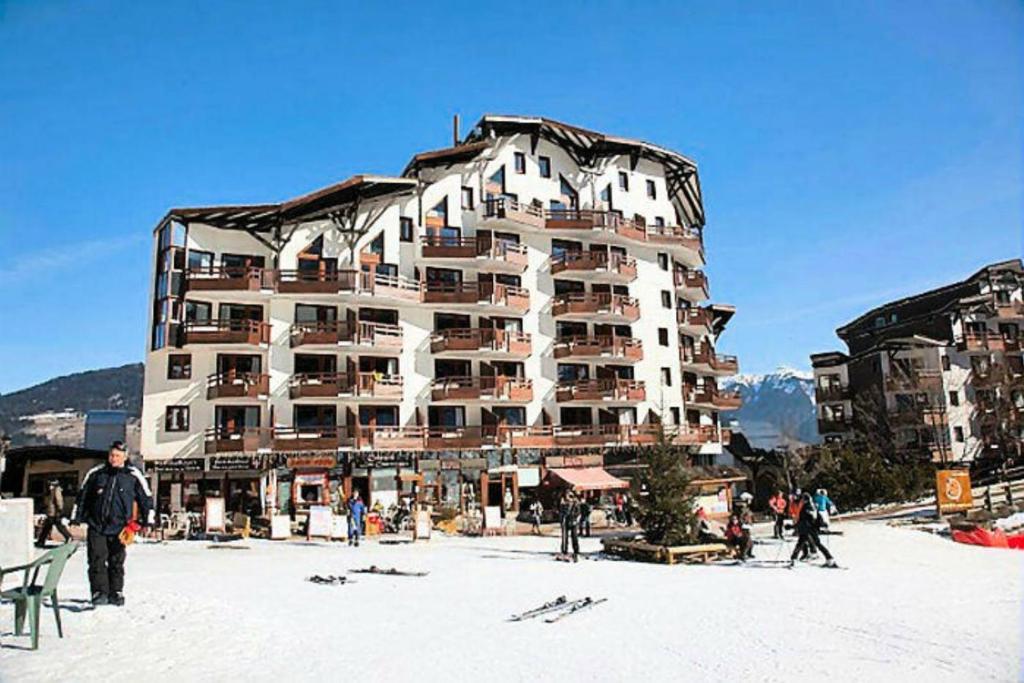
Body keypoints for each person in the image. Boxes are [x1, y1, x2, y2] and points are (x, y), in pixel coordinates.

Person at [71, 441, 154, 606]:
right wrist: (77, 517)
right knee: (96, 560)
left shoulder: (133, 475)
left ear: (125, 456)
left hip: (120, 526)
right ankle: (99, 592)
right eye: (111, 455)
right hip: (97, 525)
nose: (113, 458)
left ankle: (116, 592)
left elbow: (146, 499)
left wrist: (147, 521)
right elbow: (83, 496)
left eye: (117, 455)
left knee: (116, 561)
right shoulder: (96, 473)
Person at [790, 493, 836, 567]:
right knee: (817, 544)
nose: (801, 501)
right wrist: (823, 524)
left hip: (806, 529)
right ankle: (829, 559)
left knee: (800, 544)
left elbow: (803, 520)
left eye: (802, 499)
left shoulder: (805, 508)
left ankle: (794, 559)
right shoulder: (813, 507)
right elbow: (818, 517)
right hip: (813, 529)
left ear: (804, 500)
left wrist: (792, 526)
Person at [36, 480, 72, 547]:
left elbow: (59, 500)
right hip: (51, 512)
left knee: (58, 526)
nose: (49, 486)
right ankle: (41, 541)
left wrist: (60, 510)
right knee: (47, 527)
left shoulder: (56, 490)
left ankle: (68, 537)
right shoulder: (51, 491)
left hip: (54, 513)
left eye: (50, 485)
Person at [559, 491, 581, 562]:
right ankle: (564, 551)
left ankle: (576, 551)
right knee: (564, 537)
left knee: (574, 537)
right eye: (567, 496)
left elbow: (578, 512)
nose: (568, 498)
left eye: (570, 496)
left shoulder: (575, 503)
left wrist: (576, 519)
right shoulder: (563, 503)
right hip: (565, 521)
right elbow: (561, 512)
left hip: (573, 521)